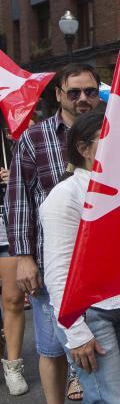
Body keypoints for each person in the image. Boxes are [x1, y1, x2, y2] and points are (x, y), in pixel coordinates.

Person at [6, 63, 101, 403]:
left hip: (104, 263)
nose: (82, 99)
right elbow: (18, 200)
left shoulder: (113, 133)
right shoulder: (34, 138)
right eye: (73, 92)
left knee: (102, 344)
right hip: (54, 265)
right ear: (59, 94)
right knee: (52, 348)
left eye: (90, 91)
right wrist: (24, 258)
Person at [40, 109, 120, 404]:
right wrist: (76, 332)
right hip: (90, 313)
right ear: (83, 149)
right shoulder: (66, 194)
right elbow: (57, 273)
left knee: (113, 394)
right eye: (108, 140)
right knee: (109, 399)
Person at [0, 162, 27, 396]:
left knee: (13, 299)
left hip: (6, 226)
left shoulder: (16, 140)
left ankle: (13, 365)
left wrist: (16, 178)